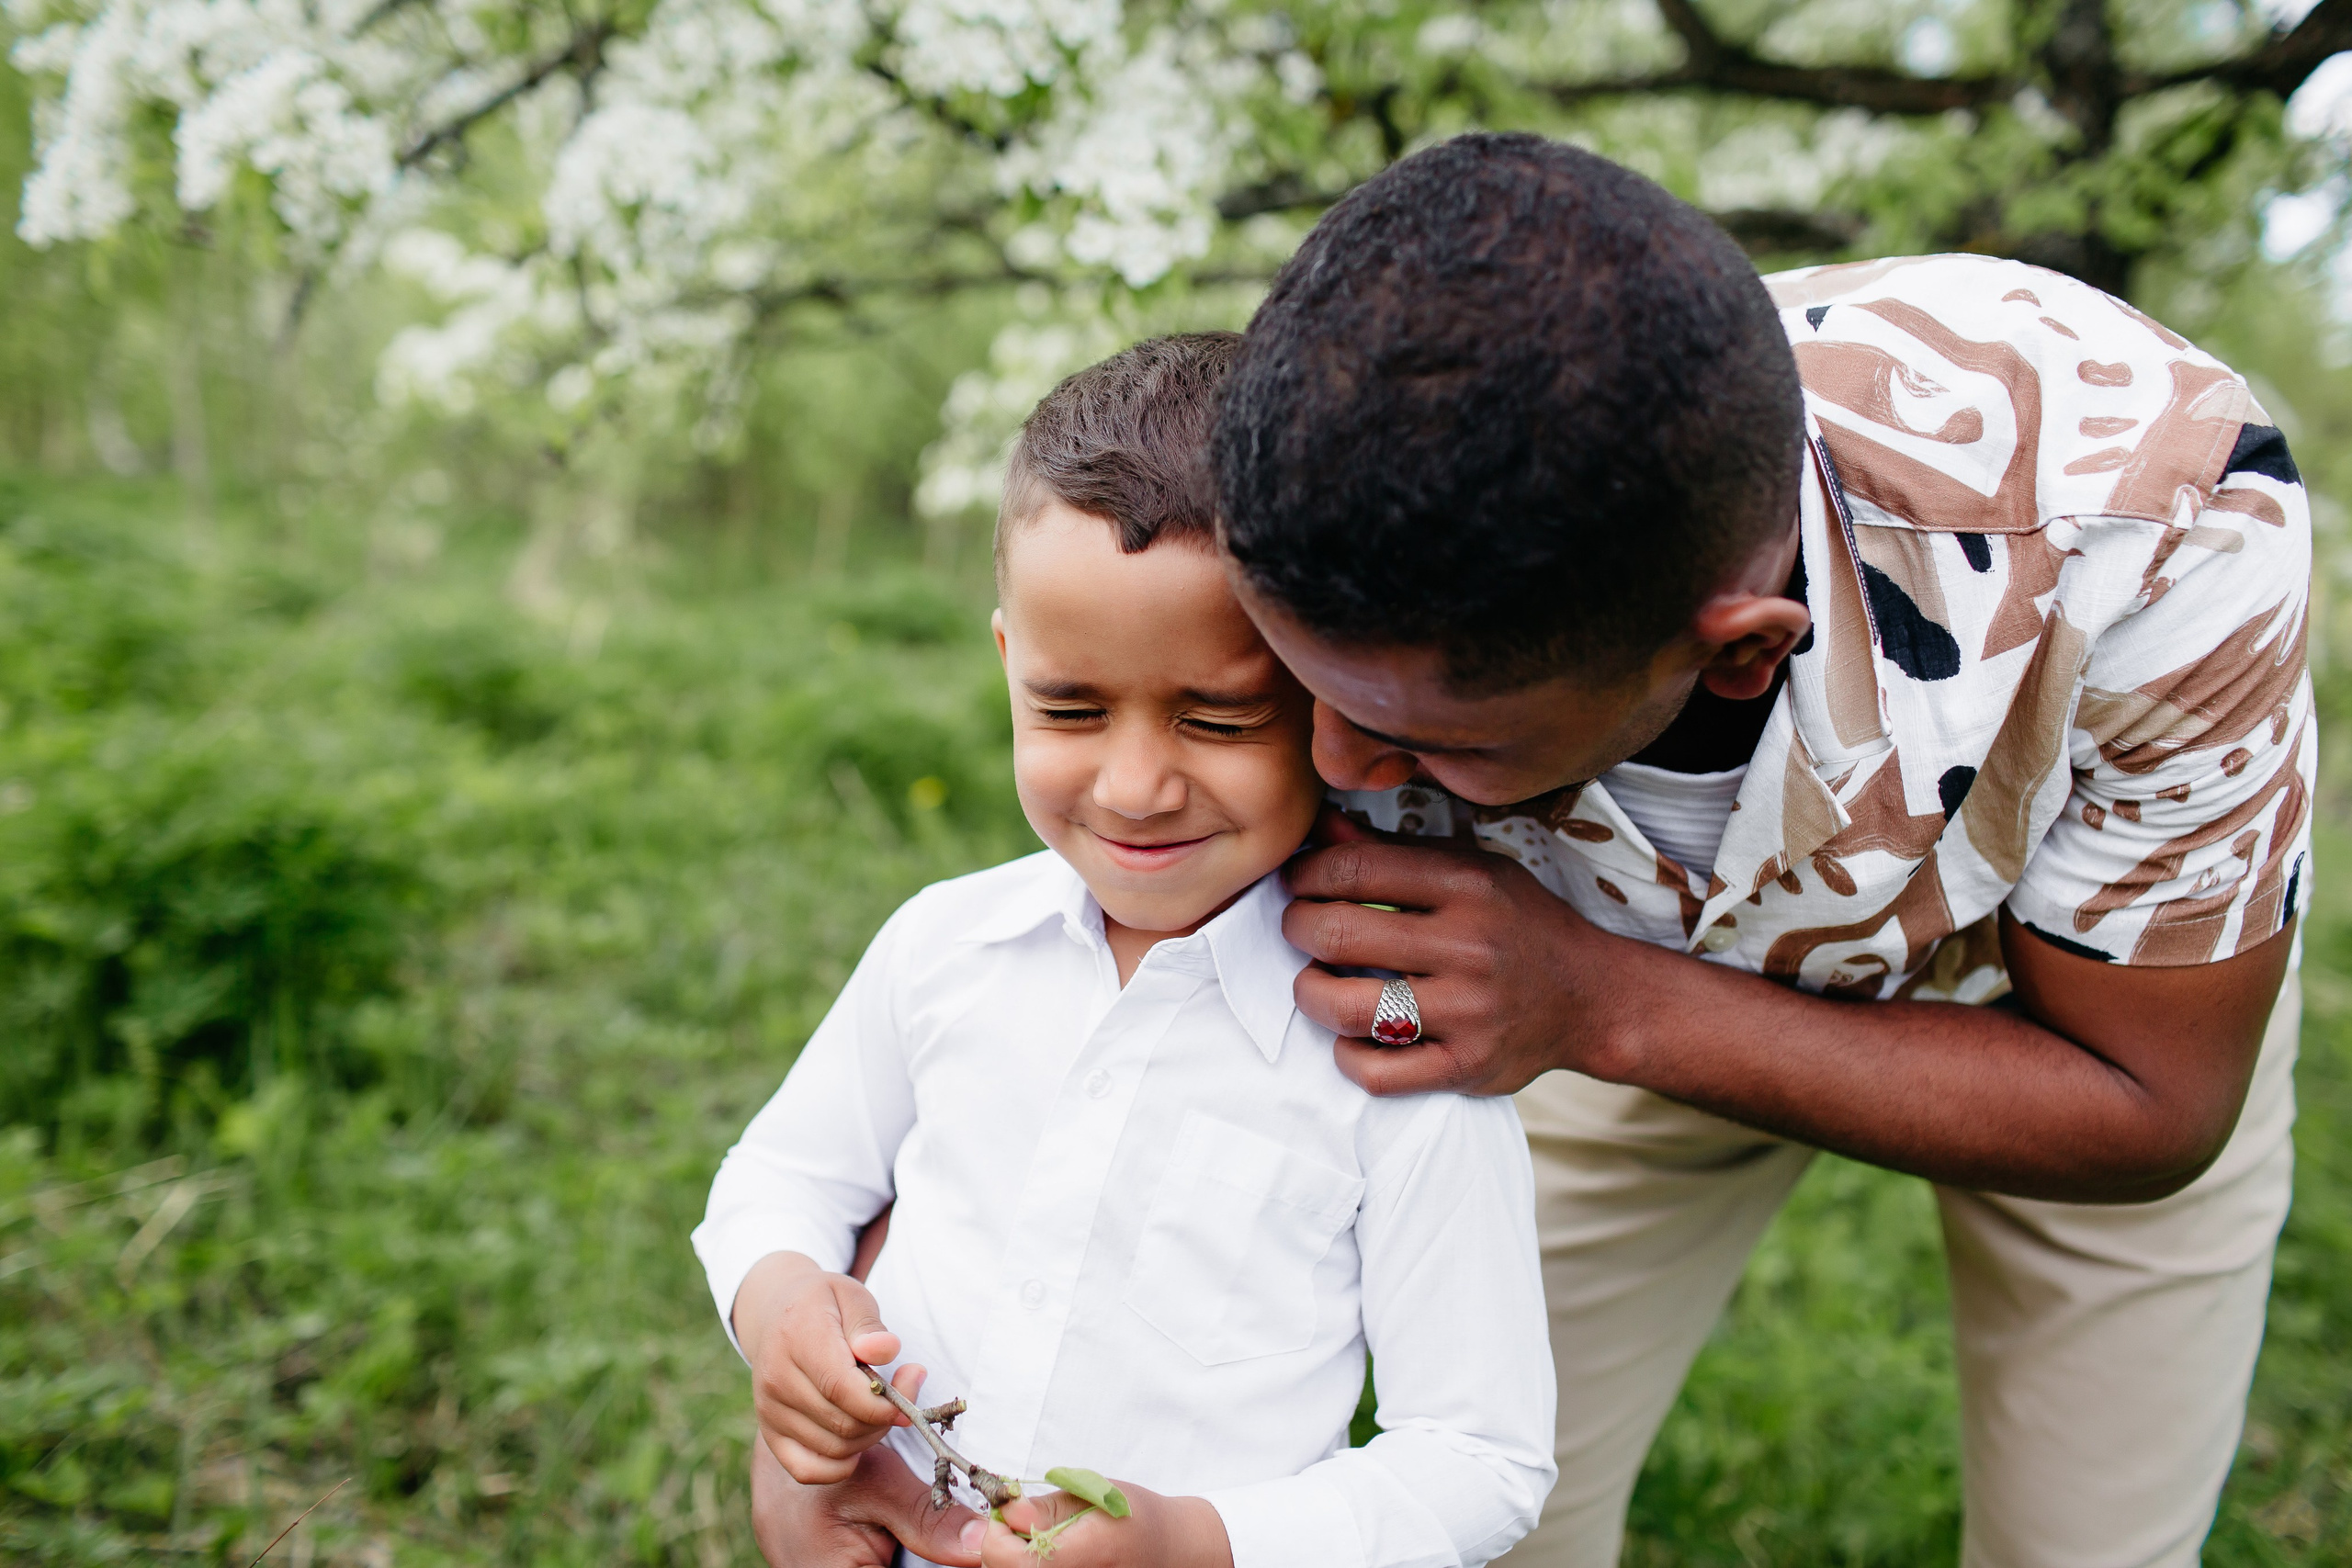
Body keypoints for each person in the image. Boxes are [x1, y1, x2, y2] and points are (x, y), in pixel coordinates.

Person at [1213, 133, 2313, 1568]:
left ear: (1733, 656)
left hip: (2069, 1015)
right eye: (1311, 694)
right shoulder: (1301, 485)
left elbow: (2152, 1106)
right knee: (1486, 1522)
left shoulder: (2163, 520)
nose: (1340, 770)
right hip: (1577, 987)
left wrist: (1602, 1003)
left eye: (1437, 745)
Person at [696, 333, 1557, 1568]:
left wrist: (1192, 1544)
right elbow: (783, 1176)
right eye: (1069, 709)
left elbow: (1479, 1460)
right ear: (1008, 663)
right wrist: (782, 1304)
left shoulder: (1401, 1050)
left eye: (1216, 718)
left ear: (1338, 700)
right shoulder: (945, 947)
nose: (1137, 786)